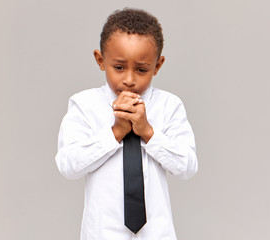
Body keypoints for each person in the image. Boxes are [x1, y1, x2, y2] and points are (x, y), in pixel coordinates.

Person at [55, 8, 198, 240]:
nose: (129, 80)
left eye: (141, 70)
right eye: (119, 67)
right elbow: (68, 165)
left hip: (156, 233)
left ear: (157, 66)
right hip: (102, 233)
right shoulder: (84, 105)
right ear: (101, 60)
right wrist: (116, 132)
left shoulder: (169, 106)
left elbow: (187, 167)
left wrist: (148, 133)